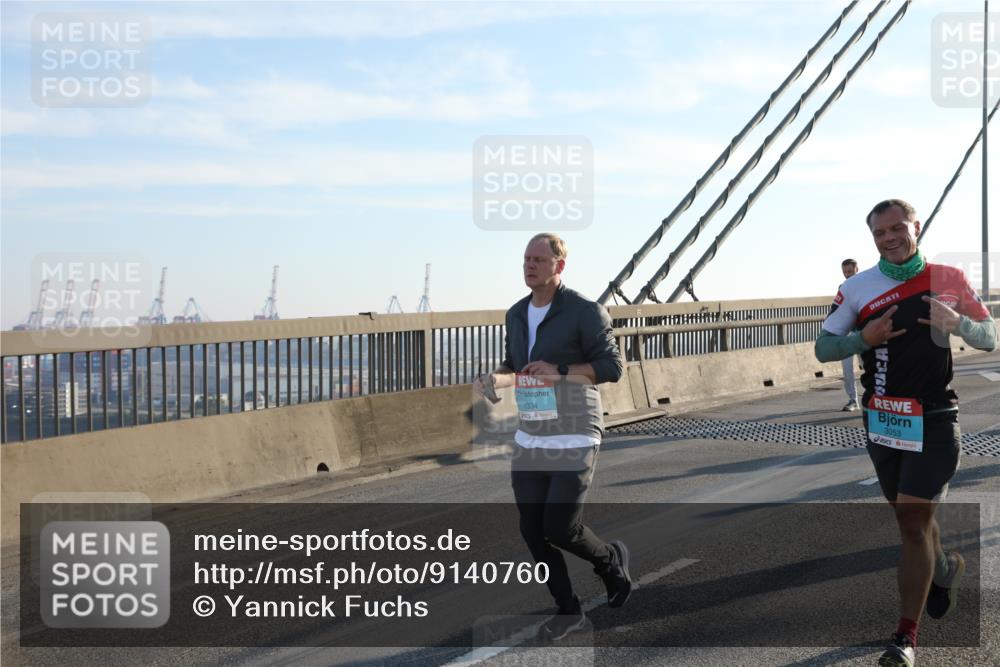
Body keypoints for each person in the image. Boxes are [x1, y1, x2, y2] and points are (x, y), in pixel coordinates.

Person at [814, 199, 997, 667]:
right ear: (872, 238)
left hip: (935, 417)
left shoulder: (949, 279)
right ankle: (945, 567)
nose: (890, 237)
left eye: (898, 228)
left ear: (916, 227)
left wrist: (958, 324)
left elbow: (990, 337)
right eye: (880, 232)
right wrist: (863, 340)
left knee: (913, 524)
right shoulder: (856, 288)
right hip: (883, 420)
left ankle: (905, 637)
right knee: (911, 520)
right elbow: (823, 347)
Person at [473, 232, 630, 642]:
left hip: (576, 430)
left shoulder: (584, 312)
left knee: (560, 528)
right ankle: (568, 610)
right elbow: (517, 365)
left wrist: (560, 371)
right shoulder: (515, 314)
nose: (530, 265)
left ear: (559, 266)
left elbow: (612, 367)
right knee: (532, 530)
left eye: (539, 259)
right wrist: (496, 378)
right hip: (534, 430)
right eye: (526, 258)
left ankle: (610, 563)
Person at [840, 258, 862, 411]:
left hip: (863, 333)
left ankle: (875, 397)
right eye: (845, 272)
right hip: (846, 334)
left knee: (869, 367)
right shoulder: (842, 287)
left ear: (857, 269)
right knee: (847, 370)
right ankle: (853, 400)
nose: (847, 275)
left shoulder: (865, 285)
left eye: (850, 271)